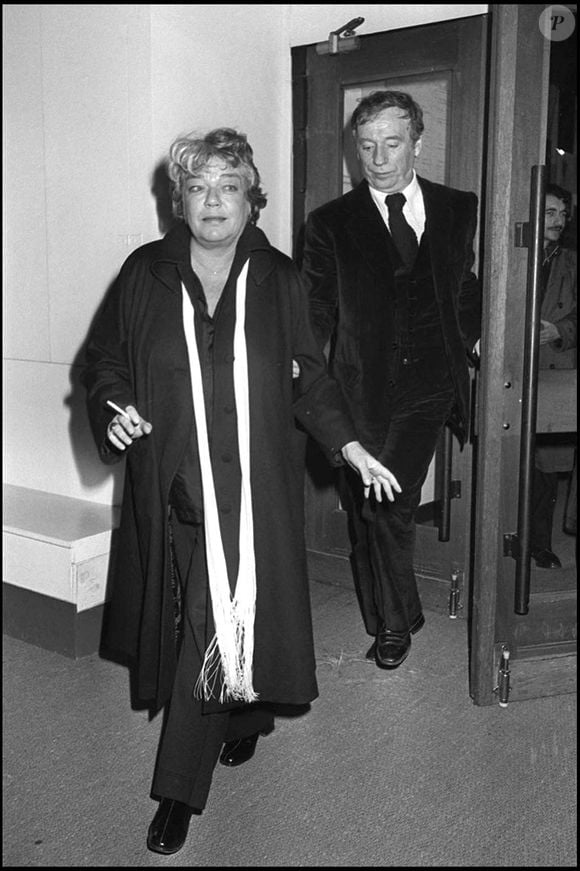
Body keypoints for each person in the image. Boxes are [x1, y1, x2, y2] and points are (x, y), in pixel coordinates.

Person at [81, 127, 401, 856]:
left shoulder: (281, 279)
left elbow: (309, 376)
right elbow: (106, 362)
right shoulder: (145, 275)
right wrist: (116, 407)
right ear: (179, 199)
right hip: (177, 487)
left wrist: (349, 446)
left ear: (250, 198)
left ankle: (176, 790)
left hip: (254, 493)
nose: (213, 200)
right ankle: (242, 722)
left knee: (213, 616)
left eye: (228, 185)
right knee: (212, 612)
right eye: (198, 186)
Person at [300, 90, 481, 671]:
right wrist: (299, 375)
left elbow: (466, 284)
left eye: (392, 143)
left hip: (431, 385)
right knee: (370, 511)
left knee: (388, 502)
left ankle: (393, 624)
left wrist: (469, 337)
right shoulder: (330, 223)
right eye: (368, 145)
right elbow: (315, 313)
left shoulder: (458, 207)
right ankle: (398, 613)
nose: (378, 158)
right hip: (362, 390)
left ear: (418, 143)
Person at [531, 182, 577, 568]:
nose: (558, 221)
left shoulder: (573, 262)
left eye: (562, 214)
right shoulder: (514, 255)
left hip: (555, 370)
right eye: (550, 212)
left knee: (546, 468)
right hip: (513, 368)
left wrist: (560, 331)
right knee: (508, 461)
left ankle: (539, 544)